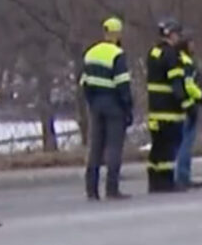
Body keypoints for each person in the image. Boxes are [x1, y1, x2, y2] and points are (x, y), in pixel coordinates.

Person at [79, 17, 133, 200]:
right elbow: (122, 84)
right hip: (114, 105)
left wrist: (92, 103)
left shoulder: (90, 53)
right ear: (118, 33)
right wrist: (127, 108)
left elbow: (84, 83)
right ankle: (112, 189)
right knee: (114, 148)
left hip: (96, 104)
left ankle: (91, 190)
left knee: (95, 148)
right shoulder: (117, 54)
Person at [146, 18, 188, 193]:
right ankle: (166, 182)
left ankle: (154, 181)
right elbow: (176, 83)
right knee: (168, 149)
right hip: (170, 111)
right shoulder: (172, 55)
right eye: (177, 34)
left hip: (154, 110)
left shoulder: (153, 53)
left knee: (157, 147)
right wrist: (186, 103)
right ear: (170, 34)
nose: (179, 37)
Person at [175, 32, 202, 190]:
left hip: (178, 106)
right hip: (187, 107)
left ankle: (182, 175)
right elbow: (189, 85)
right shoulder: (186, 62)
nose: (194, 46)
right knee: (185, 144)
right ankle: (182, 176)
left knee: (181, 142)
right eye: (191, 43)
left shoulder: (177, 60)